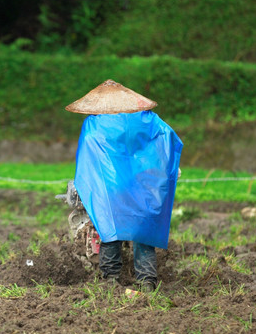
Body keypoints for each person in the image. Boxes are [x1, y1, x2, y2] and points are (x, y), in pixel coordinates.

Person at [65, 79, 183, 292]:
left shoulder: (94, 123)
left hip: (110, 187)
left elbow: (88, 155)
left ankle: (110, 280)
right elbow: (167, 138)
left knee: (109, 227)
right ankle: (147, 281)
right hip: (143, 185)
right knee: (142, 231)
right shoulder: (149, 120)